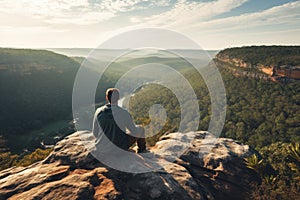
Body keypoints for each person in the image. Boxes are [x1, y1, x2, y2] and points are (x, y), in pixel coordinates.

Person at [92, 88, 147, 153]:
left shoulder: (98, 111)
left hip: (102, 148)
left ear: (107, 98)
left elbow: (95, 133)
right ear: (118, 98)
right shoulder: (124, 113)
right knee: (140, 129)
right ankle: (142, 150)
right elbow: (133, 130)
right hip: (120, 147)